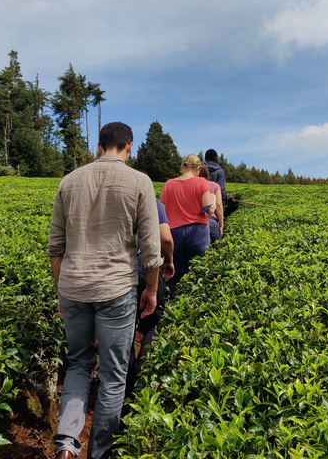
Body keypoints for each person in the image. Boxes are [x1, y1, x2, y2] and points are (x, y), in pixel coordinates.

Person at [48, 122, 162, 459]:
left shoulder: (68, 182)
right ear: (129, 146)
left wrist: (60, 293)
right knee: (114, 375)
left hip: (73, 287)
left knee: (79, 364)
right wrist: (152, 290)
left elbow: (56, 247)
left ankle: (66, 444)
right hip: (116, 287)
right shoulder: (140, 181)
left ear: (99, 147)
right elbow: (151, 250)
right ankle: (100, 453)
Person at [124, 199, 174, 399]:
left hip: (118, 276)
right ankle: (142, 379)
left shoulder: (110, 201)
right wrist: (168, 261)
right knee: (154, 324)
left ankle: (124, 385)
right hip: (147, 274)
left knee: (123, 329)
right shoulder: (154, 203)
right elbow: (166, 239)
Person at [160, 154, 215, 298]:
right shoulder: (202, 182)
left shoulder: (168, 184)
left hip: (174, 233)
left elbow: (162, 212)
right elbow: (208, 209)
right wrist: (214, 200)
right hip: (198, 232)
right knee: (199, 273)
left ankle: (176, 306)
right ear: (197, 168)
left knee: (175, 273)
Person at [199, 162, 224, 243]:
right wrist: (221, 225)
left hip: (195, 222)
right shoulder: (215, 186)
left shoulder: (192, 185)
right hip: (211, 220)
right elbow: (219, 205)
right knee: (218, 245)